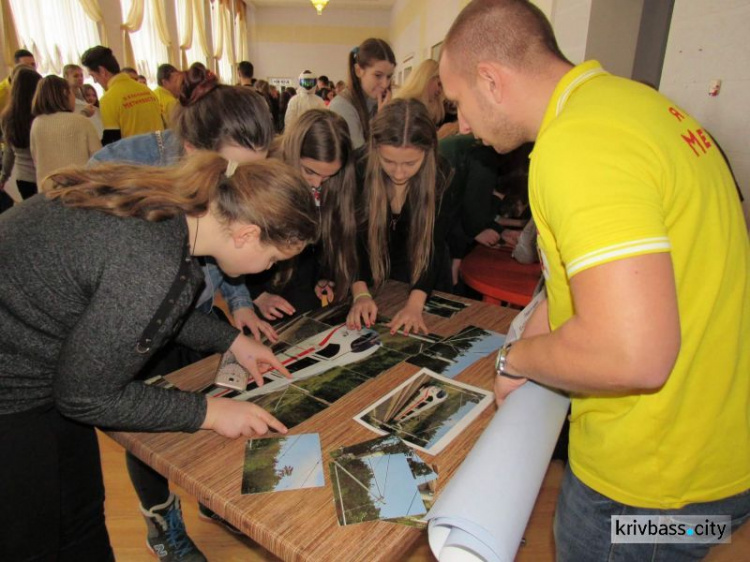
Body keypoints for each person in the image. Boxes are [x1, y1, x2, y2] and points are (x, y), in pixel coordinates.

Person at [439, 1, 750, 561]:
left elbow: (632, 355)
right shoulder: (639, 106)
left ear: (490, 80)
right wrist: (527, 337)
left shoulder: (575, 146)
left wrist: (516, 361)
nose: (461, 124)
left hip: (646, 484)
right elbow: (580, 285)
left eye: (458, 102)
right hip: (720, 465)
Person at [0, 152, 317, 561]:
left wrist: (231, 341)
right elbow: (84, 397)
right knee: (31, 538)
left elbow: (140, 310)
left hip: (39, 369)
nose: (266, 269)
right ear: (246, 234)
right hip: (12, 391)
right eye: (272, 259)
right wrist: (211, 412)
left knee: (80, 515)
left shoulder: (173, 210)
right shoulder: (152, 260)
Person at [91, 64, 281, 558]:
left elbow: (229, 241)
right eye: (235, 171)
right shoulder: (124, 165)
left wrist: (239, 304)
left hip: (189, 313)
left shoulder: (220, 183)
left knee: (208, 404)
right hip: (134, 321)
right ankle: (161, 521)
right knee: (151, 424)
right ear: (196, 154)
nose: (240, 187)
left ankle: (205, 493)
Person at [347, 98, 456, 335]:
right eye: (388, 161)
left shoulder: (442, 174)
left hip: (425, 280)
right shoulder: (358, 167)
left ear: (427, 153)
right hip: (371, 276)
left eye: (410, 163)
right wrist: (360, 293)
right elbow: (352, 238)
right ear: (375, 149)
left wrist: (415, 305)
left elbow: (434, 245)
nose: (398, 173)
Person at [250, 108, 358, 320]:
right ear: (293, 153)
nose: (317, 184)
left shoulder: (334, 184)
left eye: (328, 176)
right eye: (310, 172)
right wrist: (257, 295)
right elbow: (237, 251)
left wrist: (323, 276)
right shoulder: (264, 177)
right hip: (261, 289)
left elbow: (321, 240)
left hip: (301, 287)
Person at [81, 46, 163, 144]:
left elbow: (113, 142)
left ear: (102, 71)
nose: (94, 81)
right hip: (160, 152)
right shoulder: (147, 90)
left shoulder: (108, 99)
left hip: (134, 156)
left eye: (93, 75)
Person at [29, 75, 101, 187]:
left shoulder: (36, 123)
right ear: (65, 93)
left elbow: (36, 159)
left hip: (48, 190)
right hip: (79, 189)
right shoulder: (81, 122)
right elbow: (98, 158)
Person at [329, 38, 396, 149]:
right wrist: (381, 122)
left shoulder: (378, 101)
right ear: (358, 71)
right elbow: (360, 160)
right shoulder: (341, 106)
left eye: (389, 76)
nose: (385, 84)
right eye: (378, 75)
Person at [0, 66, 42, 200]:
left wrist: (4, 176)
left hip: (23, 178)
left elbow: (9, 151)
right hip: (45, 175)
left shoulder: (7, 117)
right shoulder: (41, 114)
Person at [153, 63, 183, 127]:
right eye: (176, 81)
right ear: (165, 82)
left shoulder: (152, 94)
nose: (180, 85)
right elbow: (178, 128)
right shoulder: (172, 103)